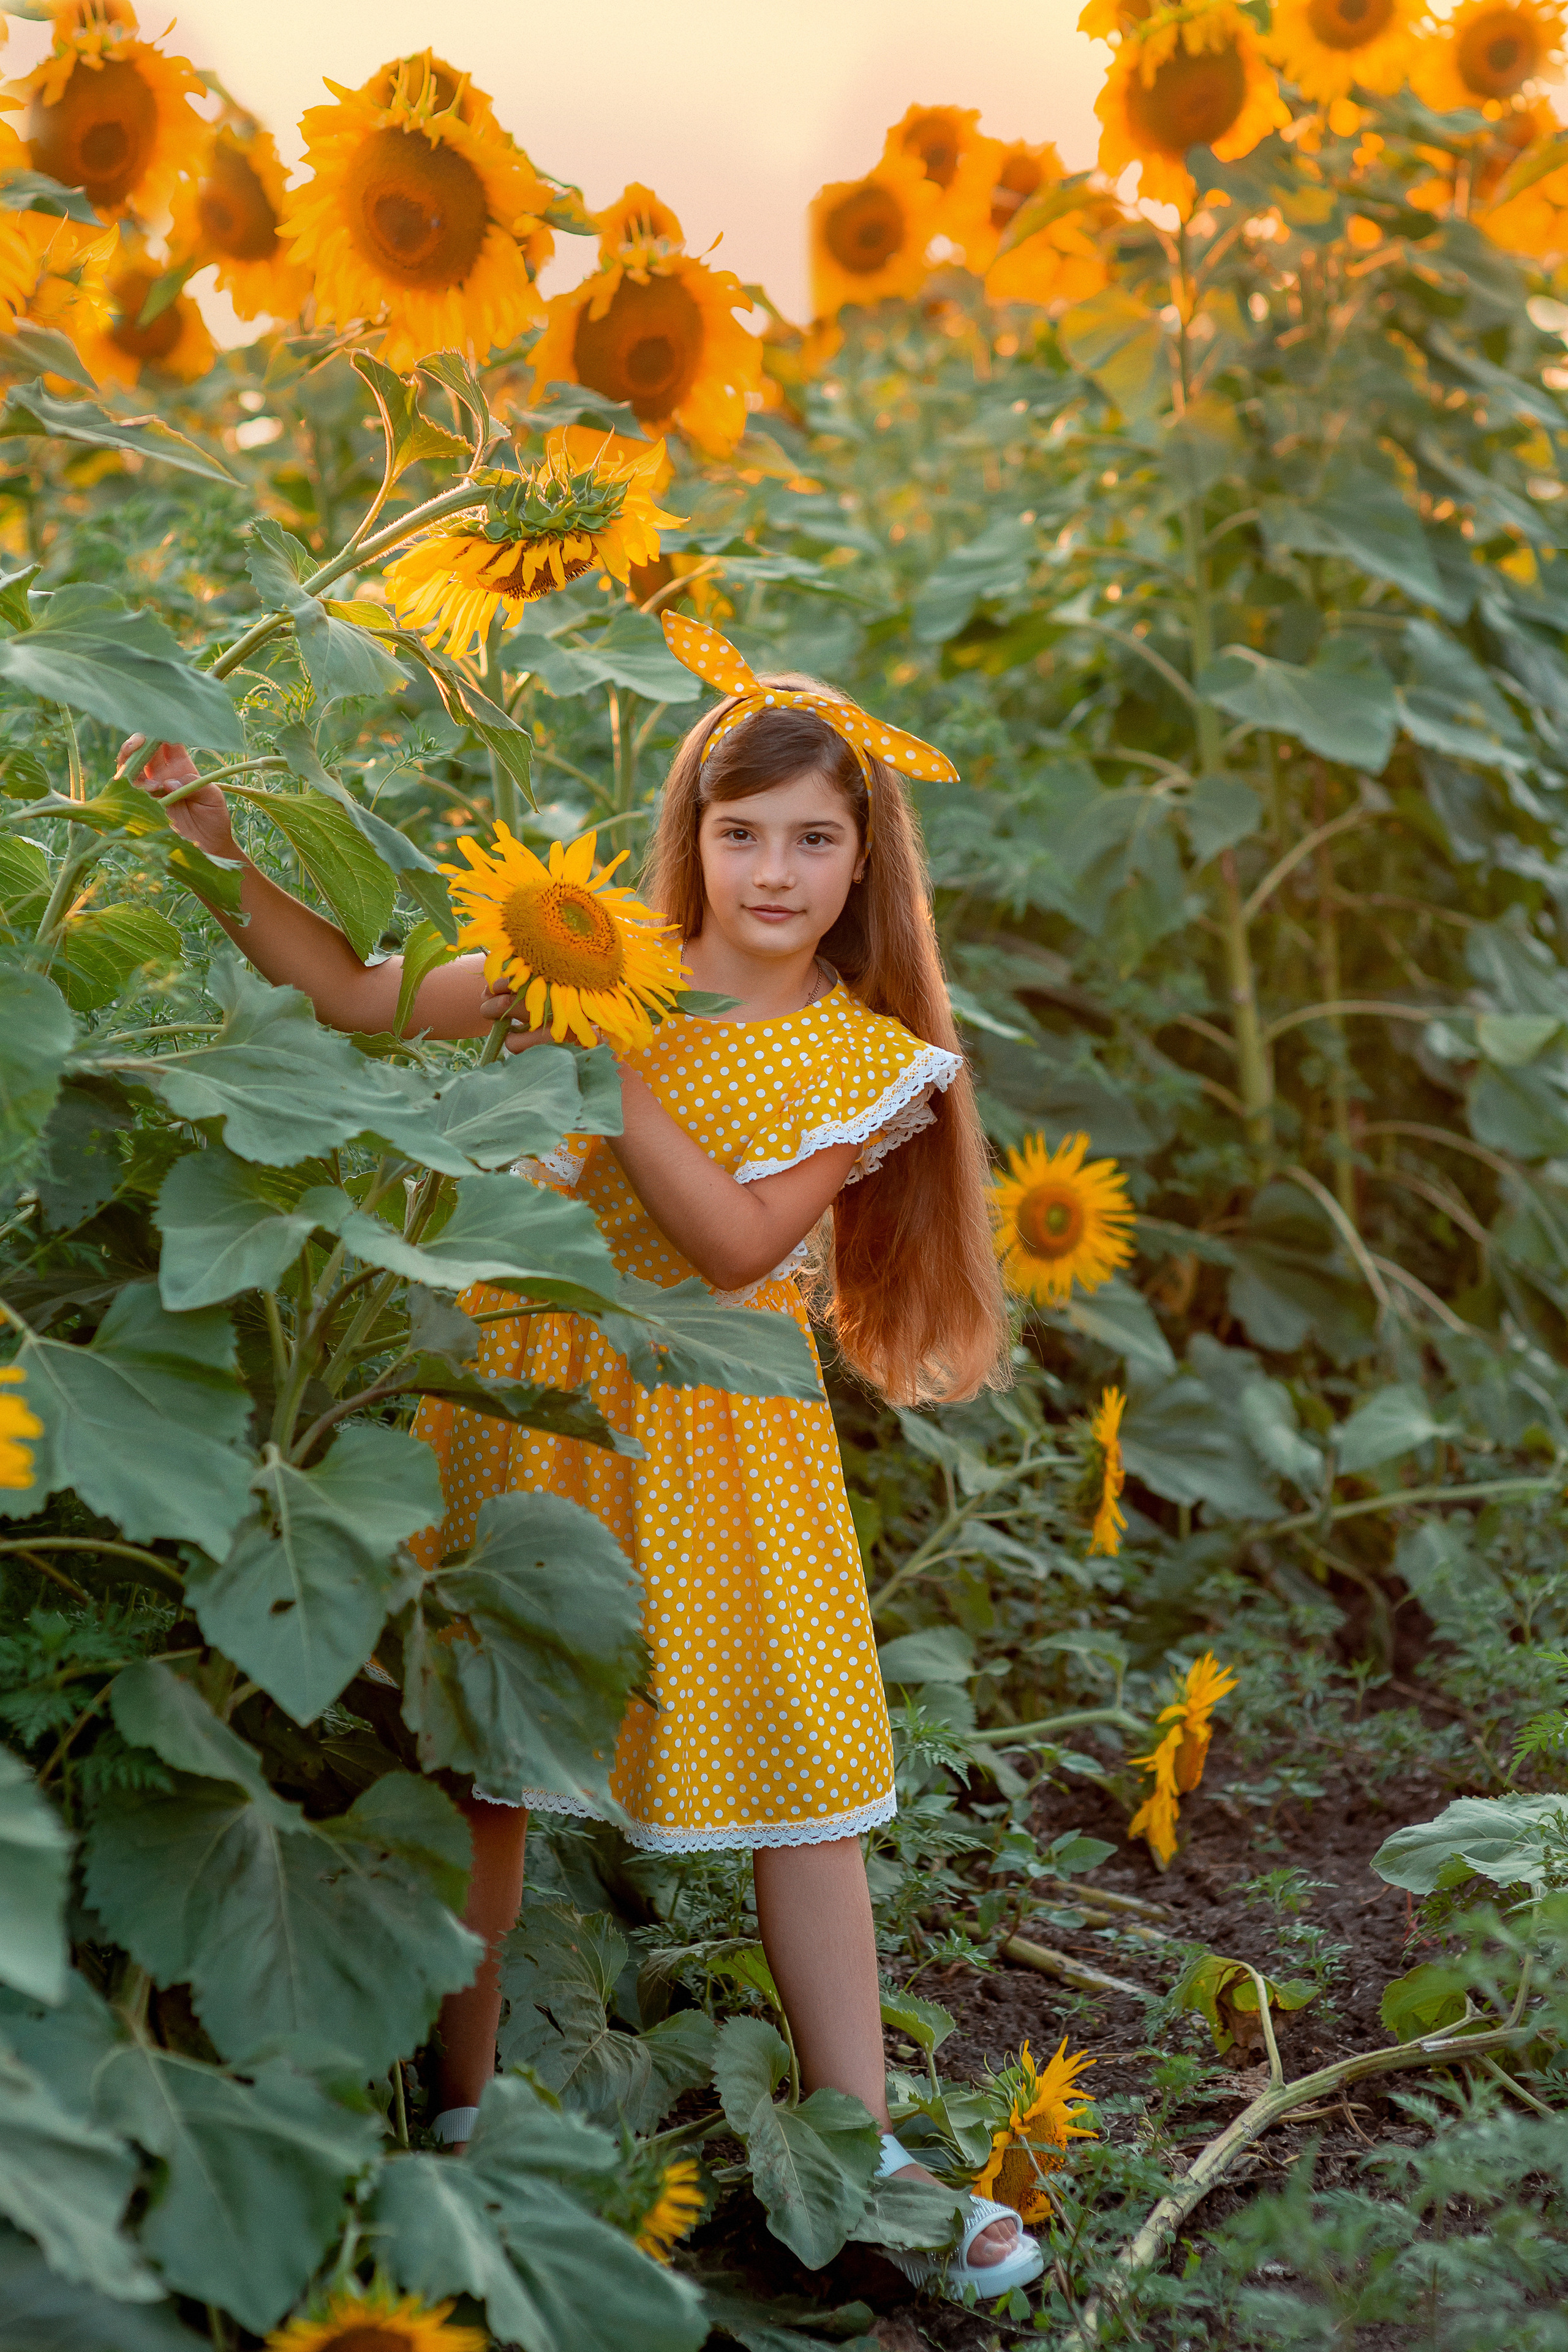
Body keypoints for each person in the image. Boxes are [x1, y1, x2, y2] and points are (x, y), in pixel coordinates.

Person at [119, 617, 1038, 2297]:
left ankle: (871, 2147)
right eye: (739, 831)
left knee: (803, 1790)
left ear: (863, 866)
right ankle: (465, 2125)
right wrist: (207, 833)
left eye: (813, 839)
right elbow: (355, 994)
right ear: (686, 835)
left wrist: (612, 1055)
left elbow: (738, 1246)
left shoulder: (864, 1059)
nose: (772, 869)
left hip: (725, 1440)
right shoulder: (591, 946)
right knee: (496, 1764)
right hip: (522, 1405)